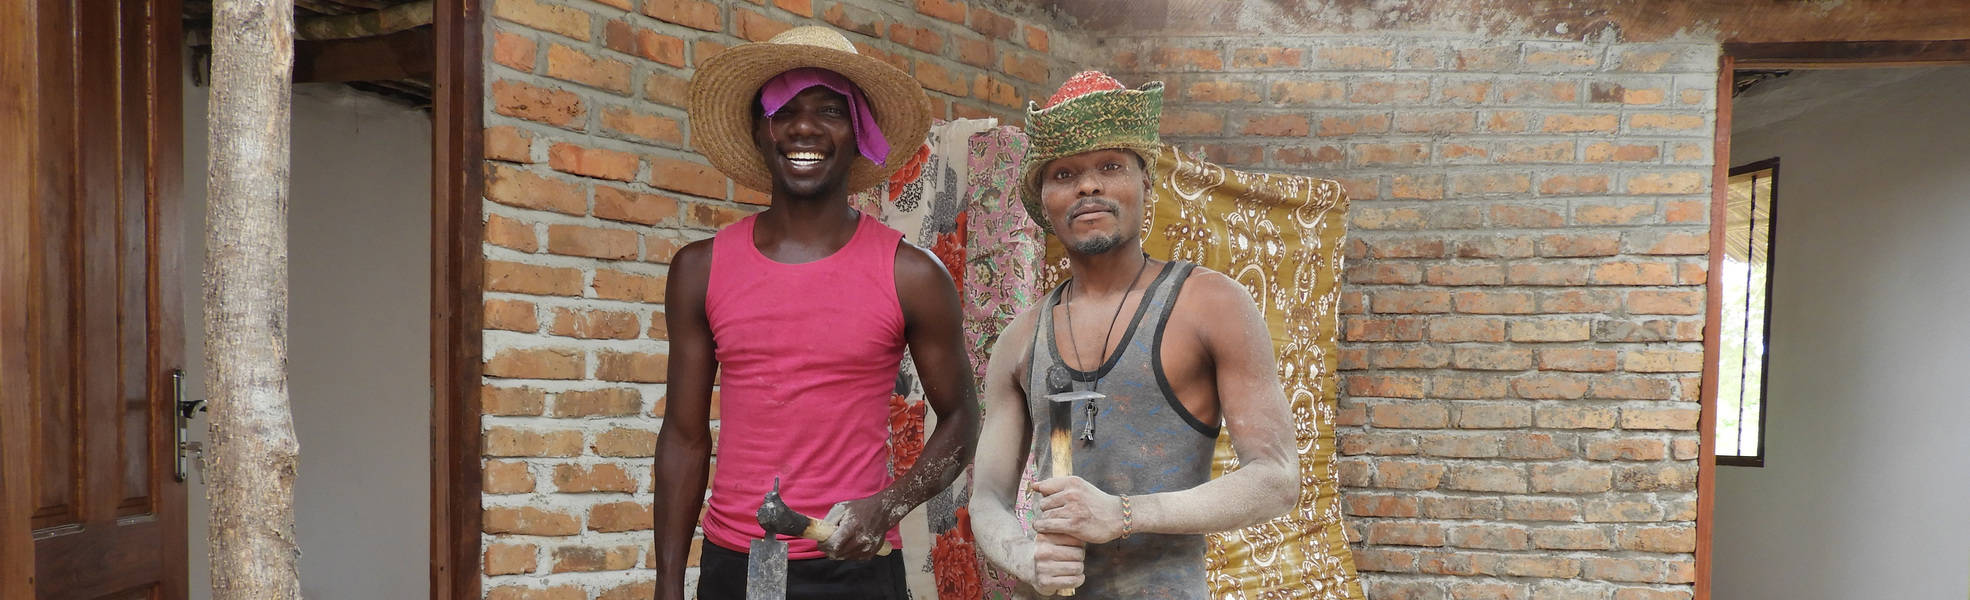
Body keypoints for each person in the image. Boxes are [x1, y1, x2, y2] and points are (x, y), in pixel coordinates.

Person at [653, 26, 979, 600]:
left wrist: (887, 506)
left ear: (858, 134)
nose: (805, 126)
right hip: (735, 566)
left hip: (856, 568)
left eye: (830, 110)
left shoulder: (912, 275)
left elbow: (961, 420)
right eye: (784, 109)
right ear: (761, 131)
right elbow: (683, 439)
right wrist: (668, 585)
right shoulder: (700, 269)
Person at [968, 71, 1302, 598]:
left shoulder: (1210, 305)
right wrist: (1026, 557)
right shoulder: (1021, 339)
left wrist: (1123, 514)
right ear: (1046, 200)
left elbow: (1276, 479)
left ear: (1146, 182)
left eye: (1109, 166)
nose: (1088, 186)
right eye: (1064, 174)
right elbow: (986, 497)